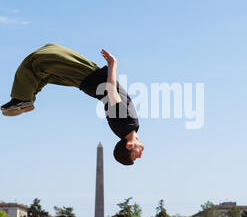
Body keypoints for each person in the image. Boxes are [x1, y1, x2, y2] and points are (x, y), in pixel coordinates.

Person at [1, 43, 144, 165]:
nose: (140, 155)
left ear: (129, 146)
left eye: (134, 155)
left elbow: (111, 90)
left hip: (91, 77)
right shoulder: (129, 128)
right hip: (89, 82)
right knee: (45, 69)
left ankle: (22, 99)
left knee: (44, 57)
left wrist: (113, 64)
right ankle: (25, 99)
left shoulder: (126, 125)